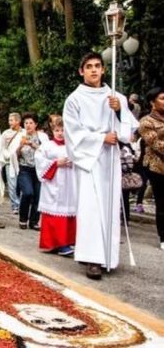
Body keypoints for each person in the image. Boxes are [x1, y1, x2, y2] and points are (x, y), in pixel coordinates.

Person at [63, 52, 138, 280]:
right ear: (81, 71)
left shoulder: (116, 97)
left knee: (109, 206)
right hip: (89, 161)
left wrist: (118, 111)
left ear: (104, 69)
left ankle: (107, 255)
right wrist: (100, 138)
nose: (94, 70)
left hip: (110, 160)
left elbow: (128, 131)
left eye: (97, 66)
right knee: (91, 208)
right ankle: (91, 258)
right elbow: (73, 133)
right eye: (89, 66)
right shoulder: (74, 99)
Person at [34, 118, 77, 256]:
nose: (60, 133)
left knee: (68, 212)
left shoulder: (73, 145)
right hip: (53, 183)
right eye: (57, 130)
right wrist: (56, 163)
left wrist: (73, 162)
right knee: (54, 212)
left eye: (63, 130)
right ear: (52, 131)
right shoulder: (47, 146)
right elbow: (39, 161)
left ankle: (67, 241)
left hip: (69, 183)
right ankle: (56, 243)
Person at [139, 87, 164, 250]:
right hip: (157, 167)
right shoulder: (146, 122)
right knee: (162, 203)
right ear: (152, 102)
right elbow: (156, 144)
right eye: (162, 98)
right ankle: (163, 237)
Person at [16, 113, 49, 230]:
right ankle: (23, 218)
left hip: (39, 169)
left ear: (36, 124)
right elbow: (15, 155)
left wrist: (33, 145)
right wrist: (20, 146)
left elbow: (46, 152)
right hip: (25, 168)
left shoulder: (42, 137)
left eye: (31, 123)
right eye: (26, 123)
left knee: (38, 195)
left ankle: (34, 221)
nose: (28, 125)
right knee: (28, 192)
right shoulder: (20, 136)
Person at [1, 112, 24, 214]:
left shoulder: (24, 133)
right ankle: (15, 205)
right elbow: (2, 147)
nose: (9, 122)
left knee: (21, 185)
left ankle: (22, 204)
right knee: (12, 185)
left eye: (12, 120)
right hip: (9, 162)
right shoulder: (6, 133)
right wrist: (8, 155)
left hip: (21, 162)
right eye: (9, 120)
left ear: (18, 121)